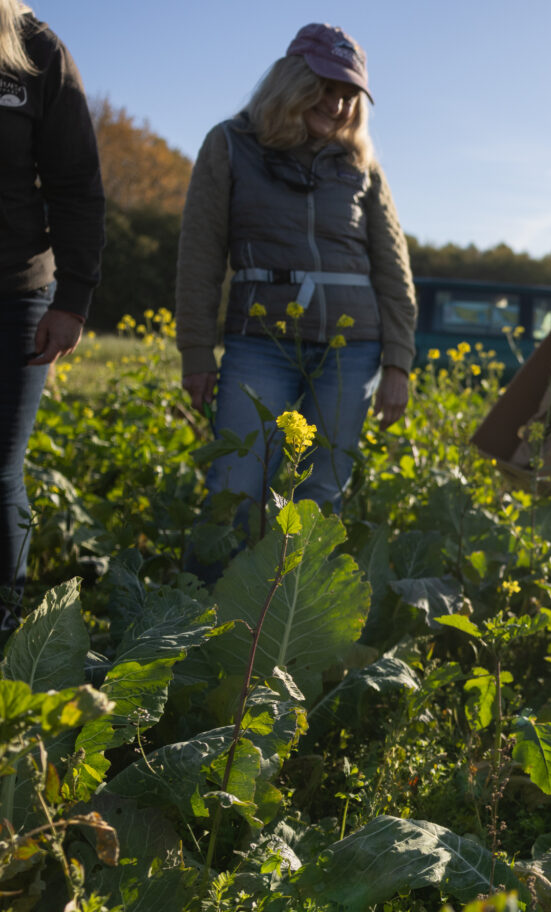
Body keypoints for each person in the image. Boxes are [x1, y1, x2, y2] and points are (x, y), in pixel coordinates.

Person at [176, 23, 415, 546]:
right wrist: (196, 350)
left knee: (319, 495)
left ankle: (290, 623)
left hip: (351, 352)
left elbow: (393, 266)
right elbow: (199, 255)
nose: (338, 106)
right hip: (260, 344)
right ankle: (209, 620)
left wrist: (397, 362)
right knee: (236, 489)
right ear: (291, 82)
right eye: (326, 89)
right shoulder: (230, 145)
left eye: (350, 96)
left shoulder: (362, 165)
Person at [0, 0, 104, 628]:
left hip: (15, 294)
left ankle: (4, 633)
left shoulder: (38, 51)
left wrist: (74, 298)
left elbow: (75, 185)